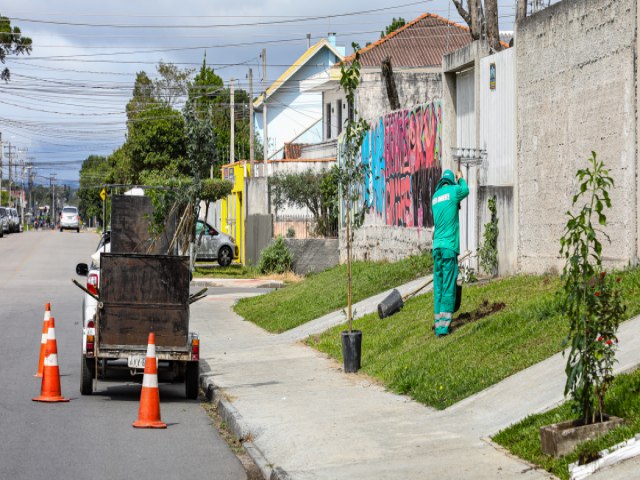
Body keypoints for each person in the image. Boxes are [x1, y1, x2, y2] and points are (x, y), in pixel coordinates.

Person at [431, 168, 469, 337]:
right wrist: (460, 178)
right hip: (448, 247)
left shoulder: (435, 197)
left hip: (436, 247)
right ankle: (444, 327)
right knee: (448, 285)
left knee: (438, 285)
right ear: (451, 181)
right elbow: (466, 190)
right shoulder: (454, 191)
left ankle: (438, 322)